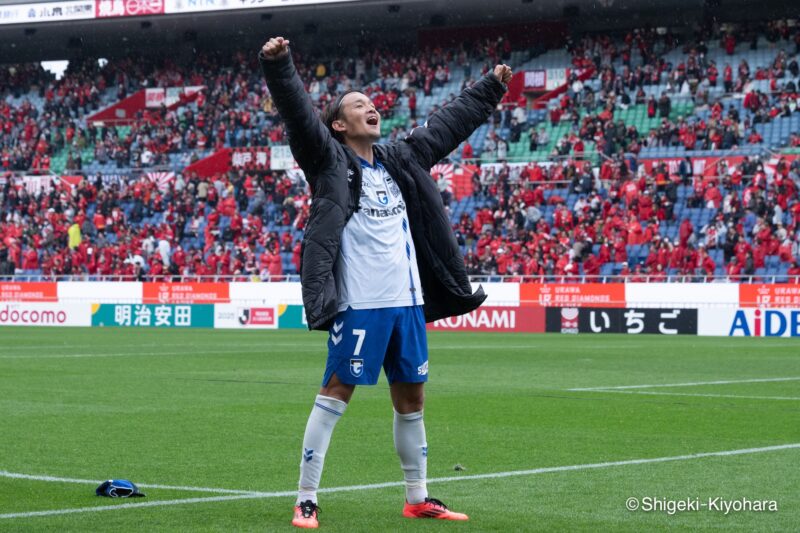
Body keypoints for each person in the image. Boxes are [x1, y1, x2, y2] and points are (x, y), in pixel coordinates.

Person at [259, 36, 511, 529]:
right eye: (357, 106)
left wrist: (490, 89)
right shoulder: (328, 162)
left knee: (412, 400)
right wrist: (279, 64)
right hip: (361, 304)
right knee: (336, 393)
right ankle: (306, 498)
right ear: (338, 124)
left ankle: (417, 496)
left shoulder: (400, 159)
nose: (370, 108)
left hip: (408, 305)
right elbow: (297, 114)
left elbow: (446, 125)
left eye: (372, 104)